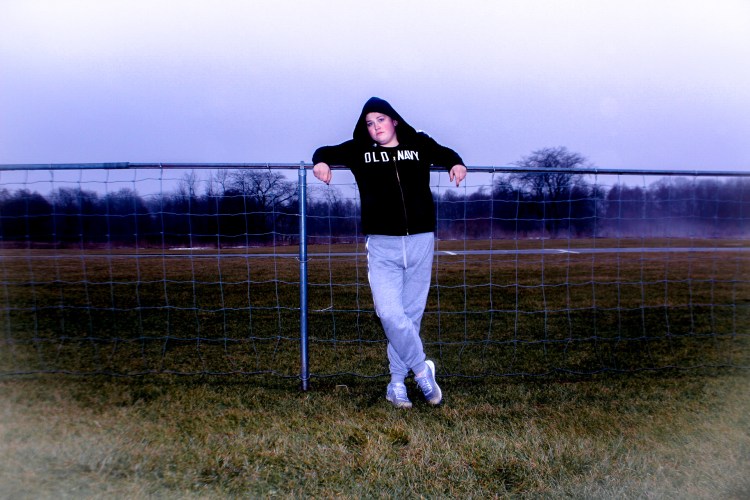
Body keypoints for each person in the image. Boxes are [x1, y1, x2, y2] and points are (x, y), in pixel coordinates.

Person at [312, 97, 467, 408]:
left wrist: (456, 163)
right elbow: (324, 151)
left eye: (380, 120)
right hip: (382, 244)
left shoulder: (418, 144)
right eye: (369, 123)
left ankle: (396, 384)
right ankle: (422, 370)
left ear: (394, 120)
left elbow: (445, 153)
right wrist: (321, 163)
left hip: (420, 240)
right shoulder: (359, 150)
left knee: (411, 315)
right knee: (389, 313)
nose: (375, 127)